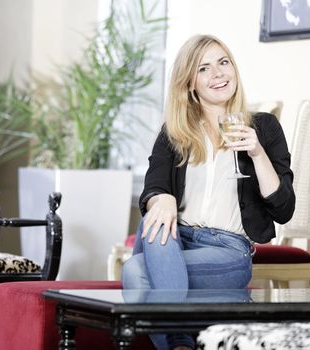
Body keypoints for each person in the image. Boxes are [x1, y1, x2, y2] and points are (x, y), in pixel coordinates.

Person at [121, 34, 296, 350]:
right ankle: (181, 344)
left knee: (136, 269)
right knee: (157, 219)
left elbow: (284, 209)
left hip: (228, 249)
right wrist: (164, 198)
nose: (218, 74)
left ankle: (178, 341)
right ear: (190, 83)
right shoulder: (175, 133)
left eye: (223, 62)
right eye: (204, 69)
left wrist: (258, 154)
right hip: (177, 240)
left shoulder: (264, 127)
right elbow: (154, 185)